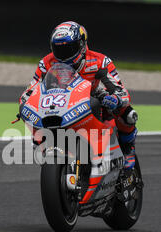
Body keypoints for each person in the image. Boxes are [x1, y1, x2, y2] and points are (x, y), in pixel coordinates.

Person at [20, 21, 138, 170]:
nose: (64, 54)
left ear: (82, 45)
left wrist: (115, 98)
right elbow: (32, 88)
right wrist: (25, 100)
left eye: (69, 48)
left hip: (94, 98)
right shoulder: (46, 62)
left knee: (128, 113)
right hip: (61, 103)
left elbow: (118, 87)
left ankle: (128, 149)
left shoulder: (99, 61)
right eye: (59, 49)